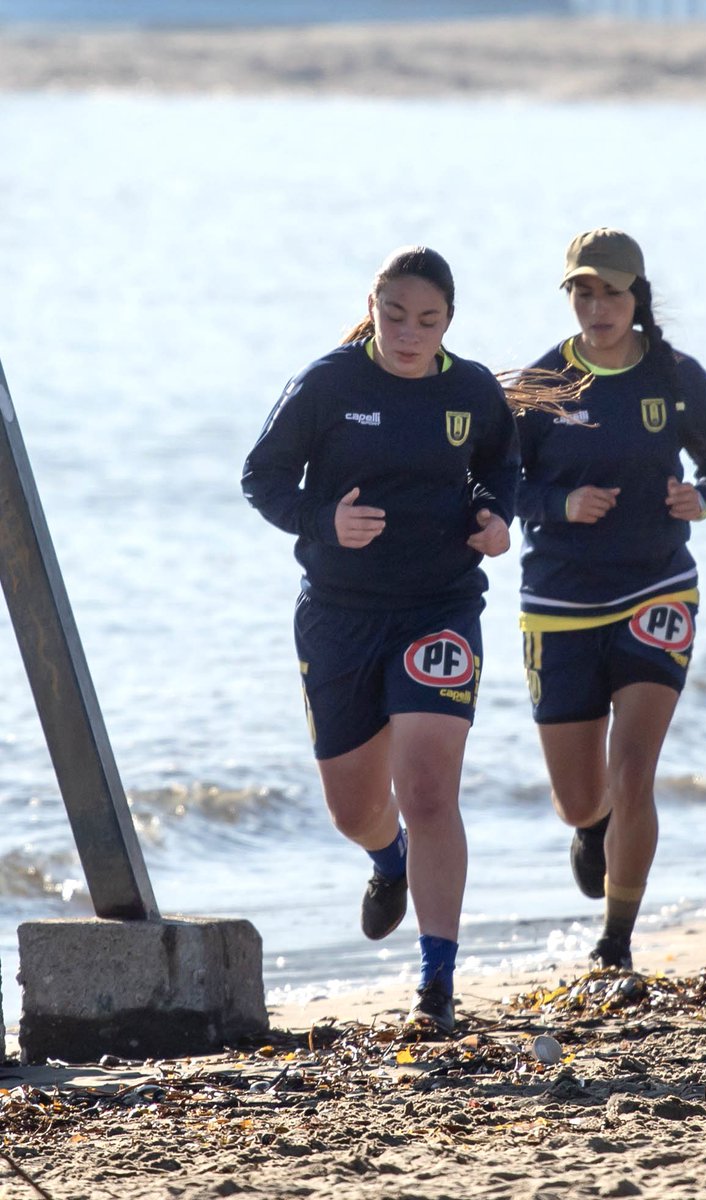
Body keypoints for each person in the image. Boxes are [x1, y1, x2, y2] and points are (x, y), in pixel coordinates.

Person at [241, 246, 519, 1035]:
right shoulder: (328, 384)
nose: (408, 333)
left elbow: (504, 464)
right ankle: (385, 857)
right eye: (395, 314)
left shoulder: (469, 390)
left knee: (429, 786)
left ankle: (436, 984)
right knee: (354, 809)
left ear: (448, 323)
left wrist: (500, 521)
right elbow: (262, 478)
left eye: (427, 320)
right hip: (339, 613)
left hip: (441, 606)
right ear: (373, 306)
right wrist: (321, 521)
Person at [517, 228, 706, 970]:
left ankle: (616, 938)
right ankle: (594, 826)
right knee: (581, 797)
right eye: (583, 291)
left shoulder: (676, 376)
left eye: (611, 291)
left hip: (657, 588)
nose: (597, 305)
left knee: (635, 765)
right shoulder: (542, 384)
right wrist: (560, 503)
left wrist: (698, 500)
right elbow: (500, 486)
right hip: (561, 602)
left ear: (636, 296)